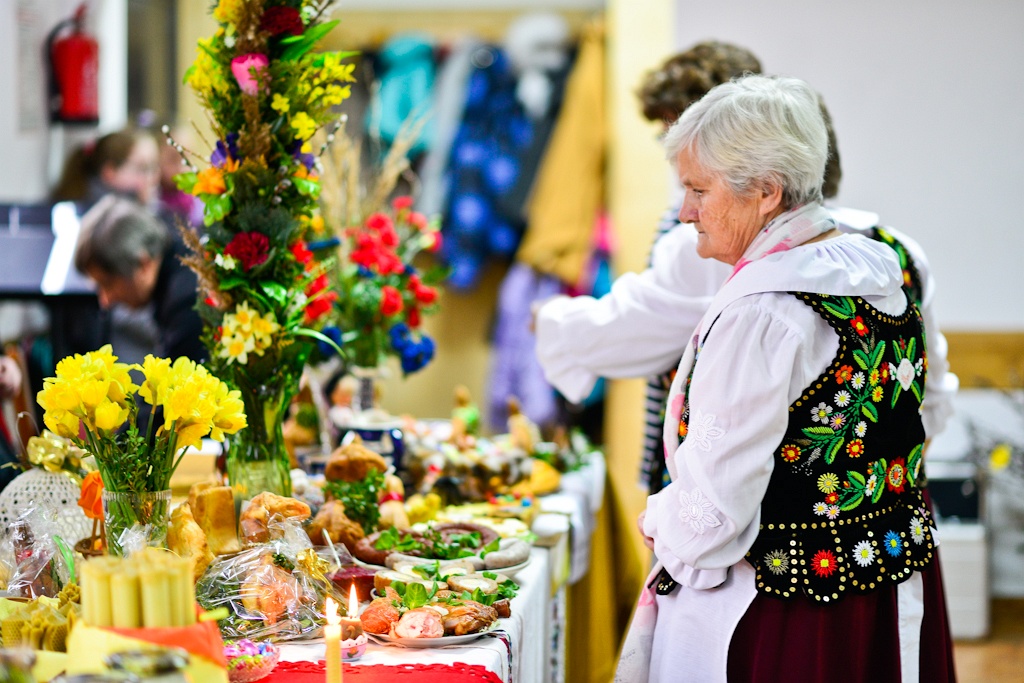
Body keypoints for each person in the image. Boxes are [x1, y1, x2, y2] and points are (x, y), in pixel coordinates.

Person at [608, 74, 954, 682]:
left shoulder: (764, 313)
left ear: (766, 191)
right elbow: (919, 417)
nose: (685, 212)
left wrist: (661, 521)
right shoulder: (882, 275)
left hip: (783, 610)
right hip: (879, 585)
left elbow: (713, 518)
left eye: (697, 189)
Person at [535, 51, 956, 495]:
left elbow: (628, 330)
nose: (687, 208)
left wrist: (549, 318)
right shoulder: (895, 251)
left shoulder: (722, 253)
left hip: (750, 526)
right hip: (883, 518)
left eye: (698, 184)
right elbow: (932, 391)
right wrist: (877, 482)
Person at [73, 195, 205, 362]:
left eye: (108, 284)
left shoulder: (186, 308)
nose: (105, 300)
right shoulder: (177, 245)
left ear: (143, 264)